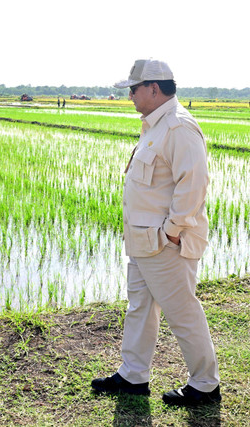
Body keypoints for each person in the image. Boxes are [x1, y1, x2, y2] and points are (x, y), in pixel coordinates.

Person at [91, 59, 220, 406]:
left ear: (153, 88)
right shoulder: (155, 126)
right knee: (140, 308)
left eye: (133, 89)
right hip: (142, 241)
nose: (130, 95)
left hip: (165, 244)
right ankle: (134, 375)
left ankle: (206, 383)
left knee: (182, 312)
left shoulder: (178, 128)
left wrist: (172, 232)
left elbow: (193, 185)